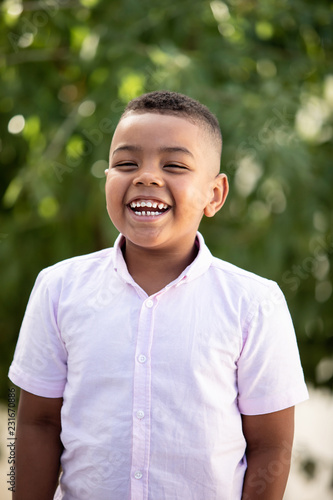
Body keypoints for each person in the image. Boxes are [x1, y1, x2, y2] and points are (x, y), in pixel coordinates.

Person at [9, 90, 308, 500]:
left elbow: (271, 446)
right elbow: (37, 423)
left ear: (214, 195)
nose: (146, 176)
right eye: (126, 163)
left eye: (175, 165)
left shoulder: (255, 303)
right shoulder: (59, 288)